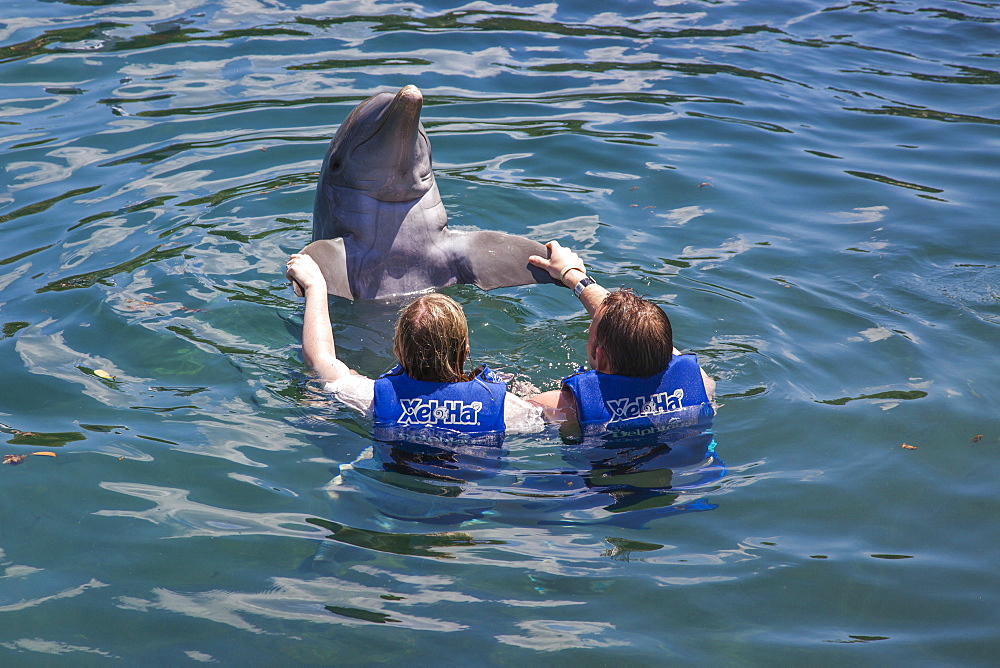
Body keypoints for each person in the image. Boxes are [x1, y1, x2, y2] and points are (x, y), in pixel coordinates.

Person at [284, 253, 544, 444]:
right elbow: (560, 414)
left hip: (390, 494)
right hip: (474, 499)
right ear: (465, 352)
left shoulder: (373, 398)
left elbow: (320, 358)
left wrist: (315, 286)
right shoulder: (505, 407)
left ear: (397, 350)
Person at [525, 241, 716, 439]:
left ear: (601, 358)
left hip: (601, 470)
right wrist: (572, 275)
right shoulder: (701, 384)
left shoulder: (563, 408)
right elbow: (642, 333)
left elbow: (496, 412)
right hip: (693, 468)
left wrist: (570, 274)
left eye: (591, 332)